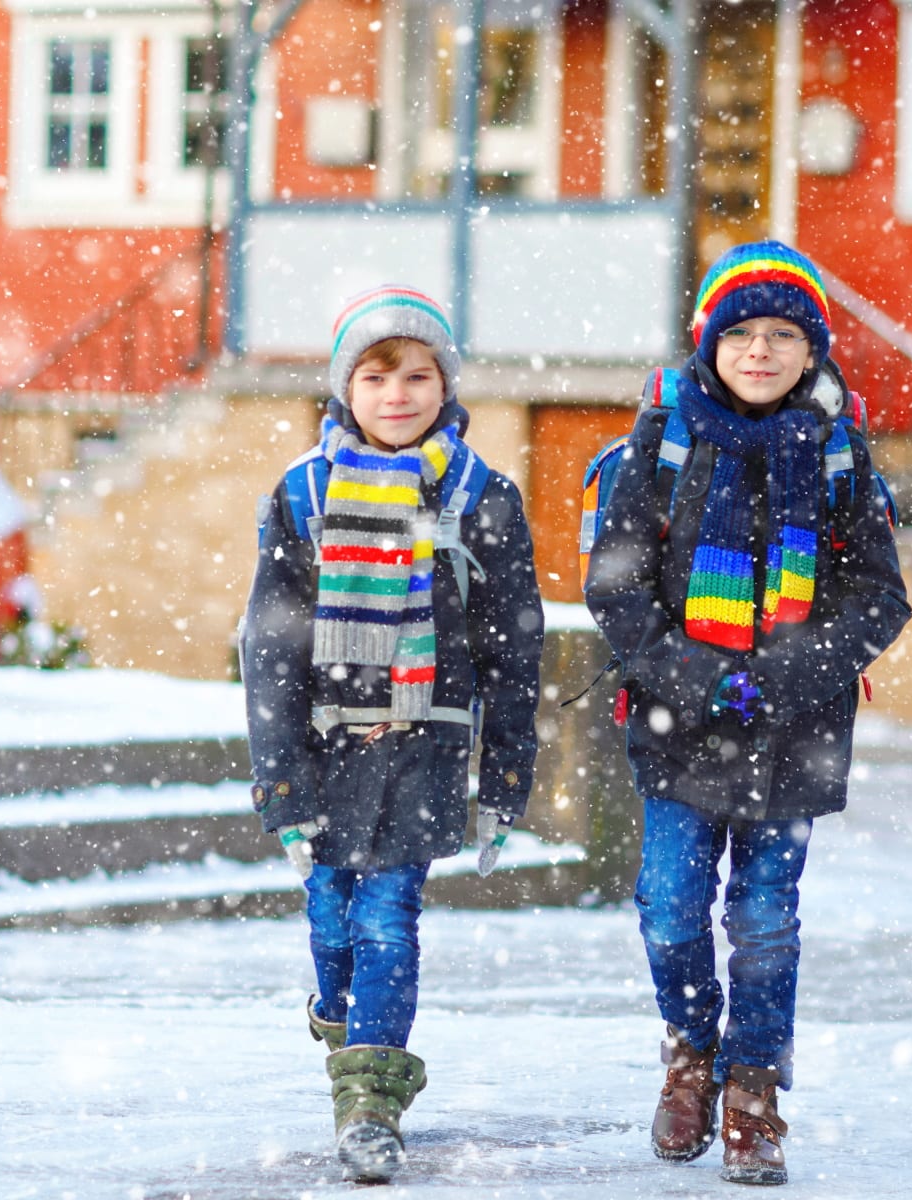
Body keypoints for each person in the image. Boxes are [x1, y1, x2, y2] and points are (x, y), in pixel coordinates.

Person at [584, 241, 911, 1186]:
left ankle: (753, 1089)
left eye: (783, 335)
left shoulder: (840, 456)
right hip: (675, 723)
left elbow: (876, 599)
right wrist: (694, 674)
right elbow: (617, 586)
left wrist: (790, 672)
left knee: (766, 920)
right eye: (742, 334)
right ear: (709, 343)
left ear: (812, 351)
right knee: (671, 908)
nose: (761, 352)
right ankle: (690, 1052)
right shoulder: (665, 440)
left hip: (795, 730)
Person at [241, 285, 543, 1183]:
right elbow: (270, 649)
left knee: (387, 920)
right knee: (332, 921)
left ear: (445, 384)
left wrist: (504, 781)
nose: (398, 394)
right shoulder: (303, 492)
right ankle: (341, 1018)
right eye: (377, 376)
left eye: (418, 375)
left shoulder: (483, 495)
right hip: (325, 746)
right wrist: (282, 785)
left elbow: (513, 649)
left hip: (428, 741)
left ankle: (369, 1104)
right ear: (348, 387)